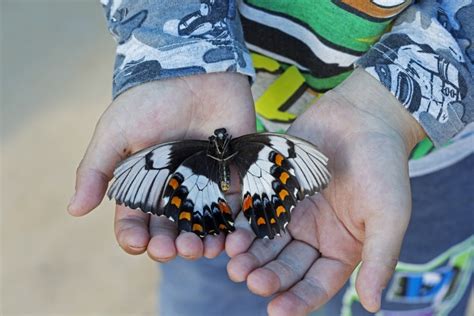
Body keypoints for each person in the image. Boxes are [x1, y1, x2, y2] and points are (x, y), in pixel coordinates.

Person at [68, 0, 473, 315]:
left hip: (430, 153)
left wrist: (394, 107)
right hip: (236, 112)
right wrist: (176, 46)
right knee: (207, 290)